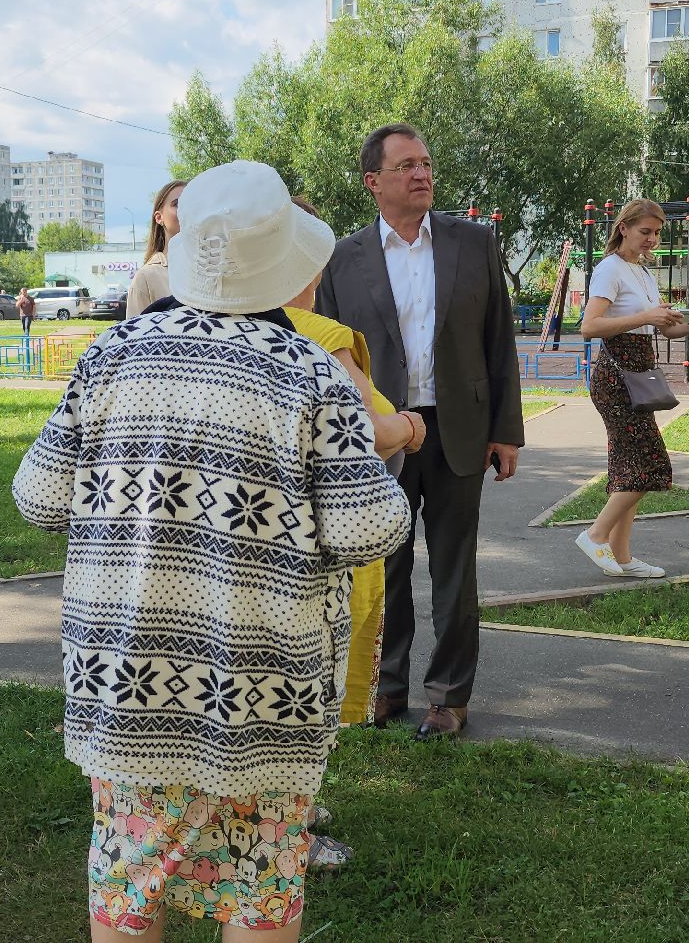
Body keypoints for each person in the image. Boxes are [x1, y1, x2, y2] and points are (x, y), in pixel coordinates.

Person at [14, 160, 411, 943]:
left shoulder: (111, 355)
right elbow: (369, 530)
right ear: (290, 263)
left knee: (129, 879)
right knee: (260, 887)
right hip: (264, 683)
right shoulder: (312, 374)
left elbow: (37, 498)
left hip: (126, 674)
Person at [315, 123, 526, 742]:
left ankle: (449, 697)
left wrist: (505, 432)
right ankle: (387, 688)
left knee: (456, 571)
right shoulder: (343, 259)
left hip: (457, 427)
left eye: (426, 163)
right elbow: (328, 353)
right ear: (373, 181)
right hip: (379, 433)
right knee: (384, 565)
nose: (421, 174)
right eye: (406, 165)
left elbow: (499, 342)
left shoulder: (473, 242)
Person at [281, 195, 426, 874]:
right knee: (305, 692)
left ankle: (274, 813)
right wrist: (409, 427)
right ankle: (291, 826)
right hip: (317, 545)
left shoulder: (185, 332)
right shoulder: (317, 336)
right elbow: (367, 427)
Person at [575, 198, 689, 580]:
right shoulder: (610, 269)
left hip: (637, 373)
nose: (652, 239)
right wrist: (645, 315)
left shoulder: (641, 273)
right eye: (645, 232)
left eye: (657, 233)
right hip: (617, 376)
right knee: (648, 465)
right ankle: (595, 536)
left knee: (628, 469)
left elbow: (664, 328)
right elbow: (589, 327)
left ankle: (623, 558)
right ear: (623, 227)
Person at [123, 179, 185, 315]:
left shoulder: (215, 271)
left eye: (192, 204)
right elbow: (135, 334)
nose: (186, 210)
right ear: (159, 217)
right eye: (178, 204)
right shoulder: (146, 278)